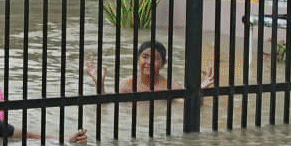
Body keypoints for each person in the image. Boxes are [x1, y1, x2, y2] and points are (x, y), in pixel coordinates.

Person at [85, 41, 215, 97]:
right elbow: (105, 105)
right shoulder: (126, 85)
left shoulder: (170, 86)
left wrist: (199, 92)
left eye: (155, 58)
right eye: (145, 57)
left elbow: (187, 106)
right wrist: (100, 84)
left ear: (164, 63)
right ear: (138, 59)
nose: (148, 62)